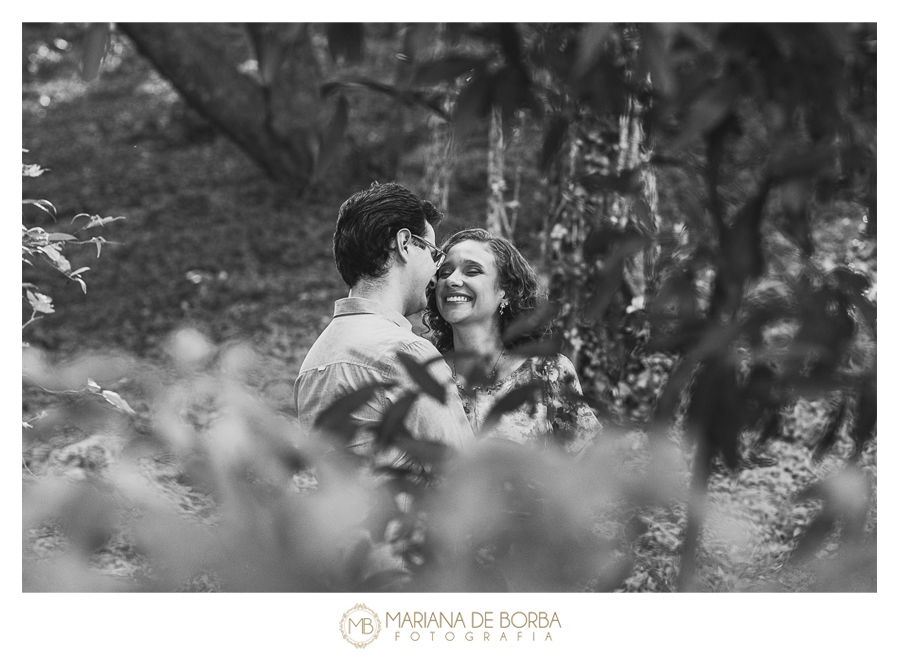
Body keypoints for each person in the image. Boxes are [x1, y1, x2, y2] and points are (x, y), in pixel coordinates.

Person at [294, 183, 474, 470]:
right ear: (404, 244)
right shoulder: (405, 352)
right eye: (433, 253)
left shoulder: (313, 362)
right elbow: (460, 475)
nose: (436, 269)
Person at [423, 228, 600, 453]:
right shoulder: (426, 375)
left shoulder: (547, 372)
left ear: (505, 291)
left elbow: (589, 460)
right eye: (445, 272)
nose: (452, 280)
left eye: (472, 271)